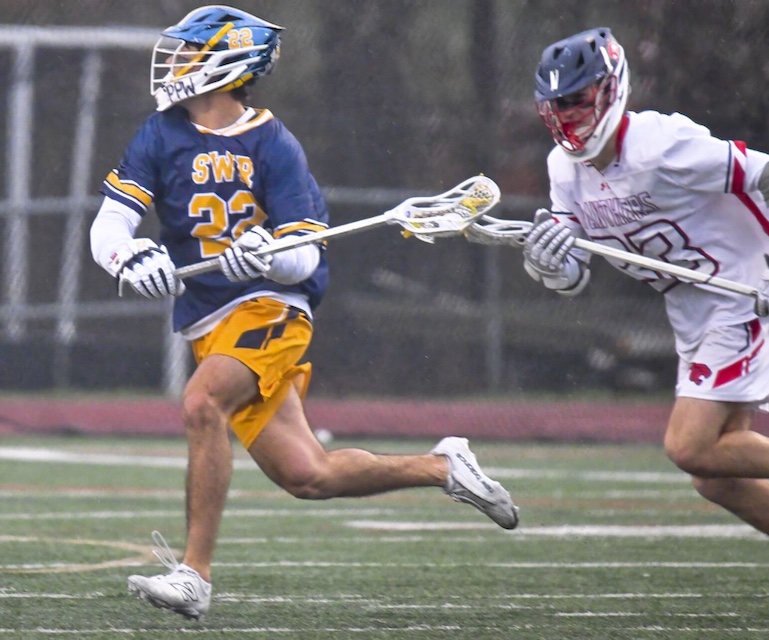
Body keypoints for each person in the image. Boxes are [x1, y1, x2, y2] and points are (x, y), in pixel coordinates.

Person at [89, 5, 518, 621]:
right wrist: (128, 257)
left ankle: (194, 575)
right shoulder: (160, 132)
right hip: (209, 323)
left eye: (189, 51)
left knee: (201, 403)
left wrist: (264, 257)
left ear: (229, 62)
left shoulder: (274, 144)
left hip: (272, 310)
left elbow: (306, 256)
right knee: (307, 475)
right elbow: (110, 224)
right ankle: (444, 465)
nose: (177, 62)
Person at [519, 27, 769, 617]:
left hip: (742, 292)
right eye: (556, 107)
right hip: (690, 308)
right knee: (715, 472)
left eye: (577, 102)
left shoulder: (663, 143)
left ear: (611, 91)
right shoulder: (565, 171)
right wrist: (553, 264)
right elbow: (579, 270)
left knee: (688, 446)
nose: (567, 121)